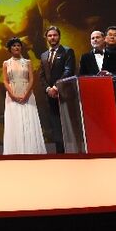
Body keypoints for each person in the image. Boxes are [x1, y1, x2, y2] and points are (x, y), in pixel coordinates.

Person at [2, 38, 46, 155]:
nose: (16, 47)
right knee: (15, 121)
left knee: (28, 121)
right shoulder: (6, 63)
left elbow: (31, 79)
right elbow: (5, 81)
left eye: (18, 45)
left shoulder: (27, 62)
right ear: (10, 48)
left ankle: (31, 151)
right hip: (12, 95)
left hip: (27, 94)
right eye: (14, 46)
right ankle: (15, 151)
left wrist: (26, 94)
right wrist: (12, 94)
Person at [38, 25, 76, 153]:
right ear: (46, 38)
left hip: (64, 93)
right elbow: (41, 75)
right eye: (50, 35)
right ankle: (60, 152)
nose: (52, 37)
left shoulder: (67, 51)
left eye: (55, 35)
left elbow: (68, 70)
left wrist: (56, 87)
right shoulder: (43, 55)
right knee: (55, 125)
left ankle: (72, 151)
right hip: (50, 96)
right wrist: (48, 89)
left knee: (68, 123)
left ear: (59, 36)